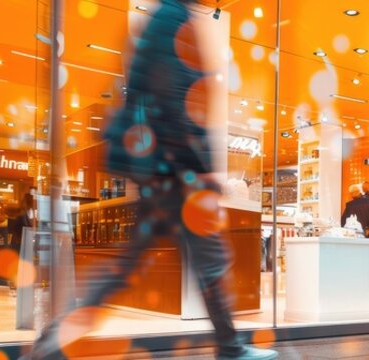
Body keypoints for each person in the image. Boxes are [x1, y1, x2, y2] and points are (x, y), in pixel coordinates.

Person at [26, 1, 278, 359]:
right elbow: (179, 101)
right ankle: (231, 348)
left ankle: (56, 340)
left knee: (131, 264)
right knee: (209, 259)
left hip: (160, 168)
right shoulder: (174, 19)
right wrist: (200, 164)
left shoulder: (164, 18)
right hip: (176, 171)